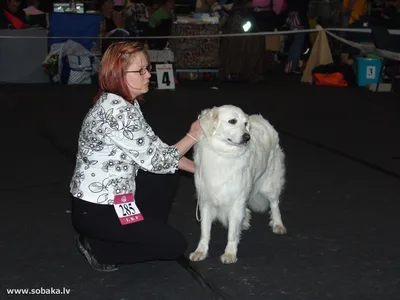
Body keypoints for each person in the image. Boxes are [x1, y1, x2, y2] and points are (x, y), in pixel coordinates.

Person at [70, 41, 202, 272]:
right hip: (98, 211)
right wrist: (192, 137)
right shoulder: (118, 112)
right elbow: (158, 160)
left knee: (168, 175)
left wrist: (204, 171)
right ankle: (99, 248)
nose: (148, 74)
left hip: (117, 198)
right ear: (119, 75)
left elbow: (159, 151)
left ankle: (143, 232)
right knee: (174, 247)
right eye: (140, 71)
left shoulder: (124, 103)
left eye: (147, 68)